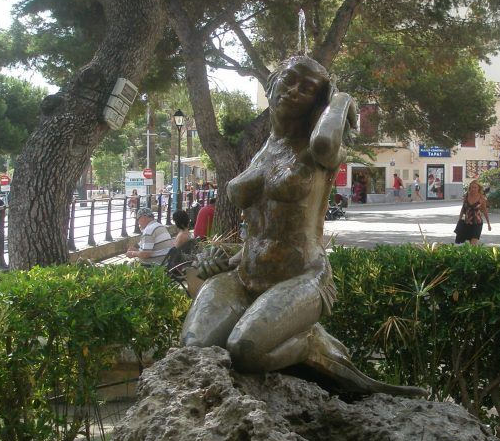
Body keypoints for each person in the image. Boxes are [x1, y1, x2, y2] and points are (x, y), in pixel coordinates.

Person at [181, 55, 423, 396]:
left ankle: (308, 343)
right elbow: (262, 231)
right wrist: (222, 256)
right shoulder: (261, 151)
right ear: (272, 83)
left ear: (317, 101)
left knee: (245, 349)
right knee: (194, 347)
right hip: (244, 275)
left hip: (303, 278)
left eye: (308, 89)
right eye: (289, 79)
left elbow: (325, 142)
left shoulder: (319, 151)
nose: (294, 91)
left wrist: (340, 99)